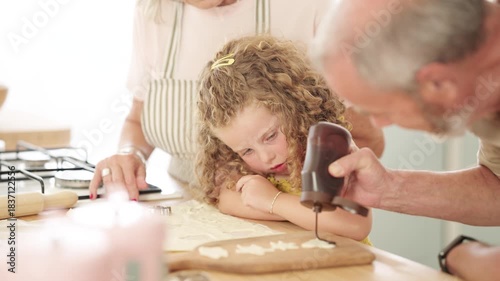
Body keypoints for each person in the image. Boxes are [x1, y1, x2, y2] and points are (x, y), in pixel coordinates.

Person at [88, 0, 385, 201]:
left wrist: (283, 197)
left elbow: (368, 137)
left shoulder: (310, 7)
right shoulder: (157, 11)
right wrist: (131, 154)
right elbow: (138, 118)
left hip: (299, 212)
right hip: (186, 203)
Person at [310, 0, 500, 280]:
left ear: (438, 83)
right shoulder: (472, 77)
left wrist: (465, 257)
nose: (379, 124)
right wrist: (388, 189)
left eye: (380, 111)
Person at [196, 35, 372, 244]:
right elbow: (227, 200)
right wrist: (302, 214)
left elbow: (355, 225)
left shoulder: (331, 144)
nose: (266, 157)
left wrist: (273, 201)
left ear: (297, 108)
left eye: (270, 136)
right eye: (246, 151)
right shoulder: (243, 162)